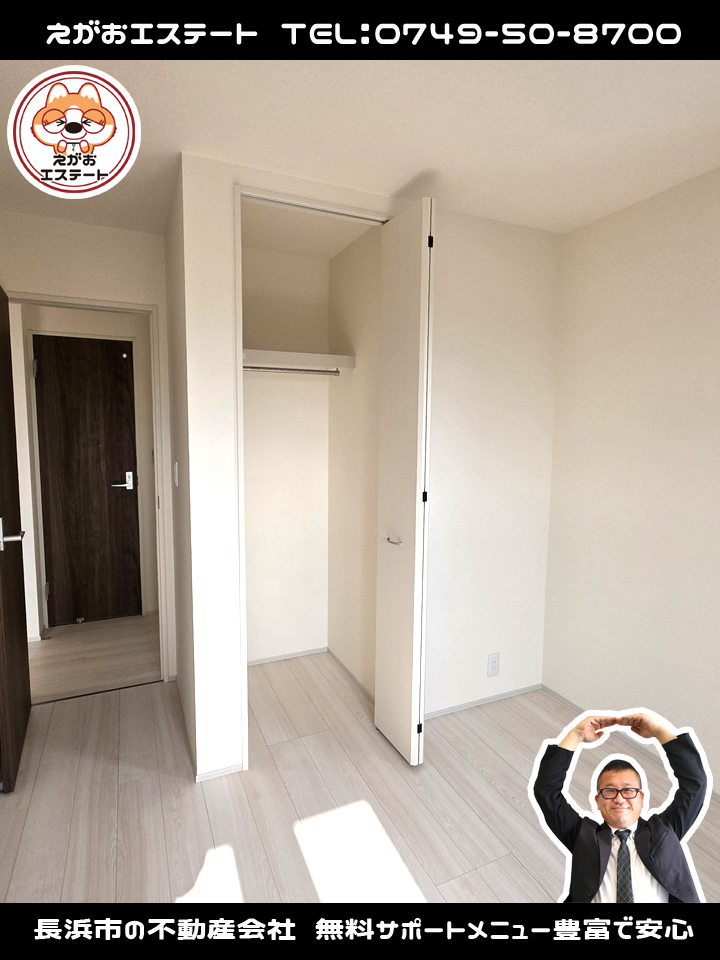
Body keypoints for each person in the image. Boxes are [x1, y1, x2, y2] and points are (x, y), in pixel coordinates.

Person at [531, 711, 707, 903]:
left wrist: (659, 731)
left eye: (628, 790)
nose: (619, 799)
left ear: (642, 798)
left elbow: (694, 785)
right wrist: (575, 735)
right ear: (597, 801)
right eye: (609, 791)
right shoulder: (582, 836)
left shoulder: (665, 830)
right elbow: (546, 791)